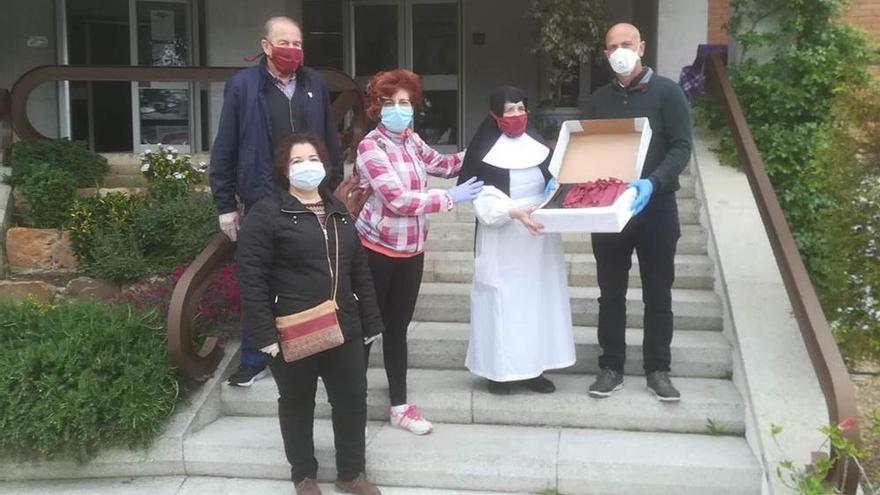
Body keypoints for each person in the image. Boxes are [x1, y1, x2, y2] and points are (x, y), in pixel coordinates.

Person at [237, 133, 383, 495]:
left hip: (343, 324)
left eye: (313, 159)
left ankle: (351, 472)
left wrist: (372, 322)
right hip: (292, 328)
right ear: (284, 170)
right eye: (297, 161)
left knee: (351, 400)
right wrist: (264, 335)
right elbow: (251, 277)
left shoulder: (338, 211)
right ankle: (304, 474)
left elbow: (358, 269)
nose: (307, 166)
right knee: (297, 402)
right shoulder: (267, 213)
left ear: (325, 165)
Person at [210, 16, 345, 387]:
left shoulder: (314, 82)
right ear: (266, 46)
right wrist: (225, 205)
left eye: (298, 44)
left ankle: (312, 345)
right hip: (263, 197)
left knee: (311, 271)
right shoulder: (242, 86)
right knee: (258, 277)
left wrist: (332, 184)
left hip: (310, 194)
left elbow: (328, 139)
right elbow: (226, 146)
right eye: (284, 42)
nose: (293, 51)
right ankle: (255, 357)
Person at [355, 69, 483, 435]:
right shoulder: (370, 148)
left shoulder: (411, 141)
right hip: (375, 252)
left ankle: (399, 405)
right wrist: (449, 198)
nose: (400, 110)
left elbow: (442, 165)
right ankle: (353, 400)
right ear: (377, 108)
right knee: (367, 329)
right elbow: (397, 200)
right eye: (392, 104)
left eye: (406, 103)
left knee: (397, 330)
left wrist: (485, 146)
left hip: (411, 252)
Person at [585, 23, 693, 402]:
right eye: (612, 46)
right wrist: (562, 180)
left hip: (656, 208)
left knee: (658, 293)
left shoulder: (668, 92)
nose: (620, 51)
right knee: (610, 293)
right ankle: (611, 366)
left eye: (626, 44)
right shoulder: (598, 99)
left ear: (641, 47)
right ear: (605, 52)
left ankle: (657, 369)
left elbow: (681, 147)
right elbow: (588, 152)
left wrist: (654, 182)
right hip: (609, 209)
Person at [457, 86, 576, 395]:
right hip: (503, 237)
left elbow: (554, 183)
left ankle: (533, 369)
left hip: (537, 239)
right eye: (509, 110)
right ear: (496, 115)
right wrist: (511, 211)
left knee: (536, 302)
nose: (516, 115)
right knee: (501, 303)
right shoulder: (484, 150)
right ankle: (499, 373)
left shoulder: (538, 145)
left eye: (521, 108)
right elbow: (480, 197)